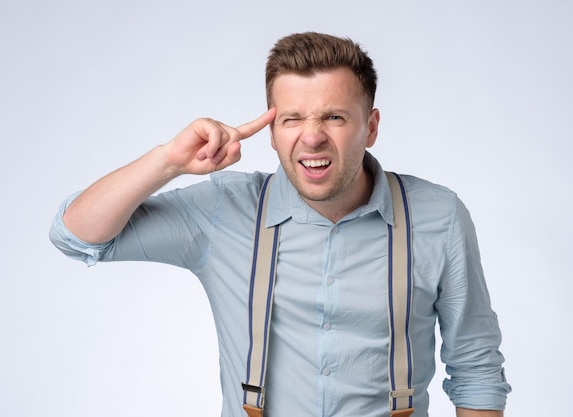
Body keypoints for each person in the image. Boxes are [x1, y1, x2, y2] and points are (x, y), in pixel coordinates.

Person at [50, 32, 511, 417]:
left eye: (334, 116)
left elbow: (475, 367)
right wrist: (168, 161)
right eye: (292, 118)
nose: (312, 136)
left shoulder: (438, 215)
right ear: (272, 133)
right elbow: (76, 236)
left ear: (370, 127)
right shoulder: (224, 209)